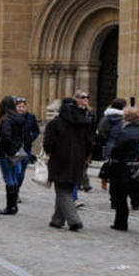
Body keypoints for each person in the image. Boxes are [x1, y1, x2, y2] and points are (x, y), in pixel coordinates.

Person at [43, 96, 94, 231]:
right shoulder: (84, 123)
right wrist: (86, 155)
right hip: (78, 160)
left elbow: (49, 143)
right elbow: (90, 142)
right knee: (67, 188)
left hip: (60, 159)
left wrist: (49, 153)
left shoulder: (55, 123)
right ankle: (57, 220)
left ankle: (74, 220)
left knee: (62, 190)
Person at [103, 107, 139, 234]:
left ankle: (121, 223)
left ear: (126, 119)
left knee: (121, 198)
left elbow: (116, 151)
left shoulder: (124, 133)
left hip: (125, 169)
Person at [0, 96, 27, 215]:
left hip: (7, 153)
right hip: (16, 152)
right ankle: (13, 206)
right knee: (13, 177)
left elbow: (6, 137)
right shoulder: (19, 119)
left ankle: (10, 207)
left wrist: (0, 147)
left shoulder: (7, 120)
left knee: (9, 178)